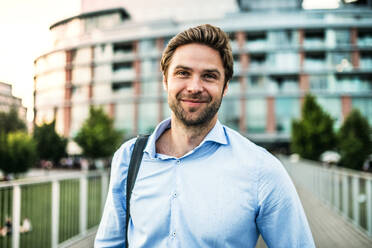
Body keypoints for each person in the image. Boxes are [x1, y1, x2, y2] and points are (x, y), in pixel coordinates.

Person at [95, 24, 315, 247]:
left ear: (225, 86)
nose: (194, 87)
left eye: (209, 76)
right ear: (165, 81)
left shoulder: (262, 169)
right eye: (183, 73)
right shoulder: (129, 157)